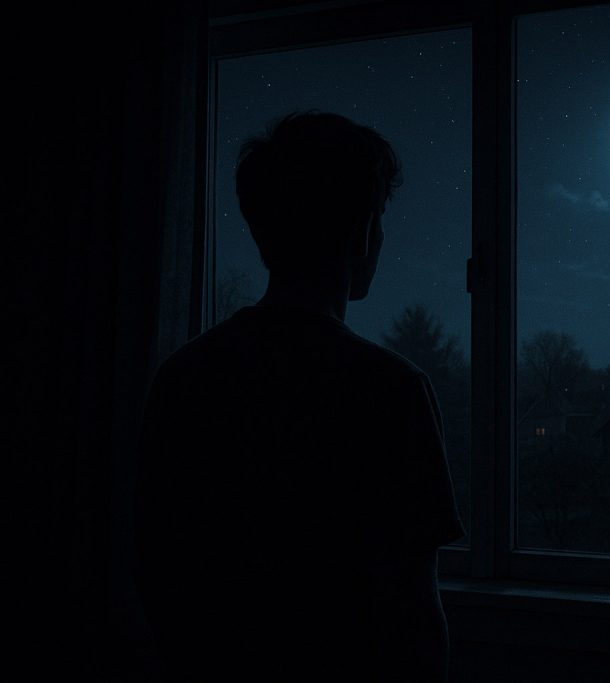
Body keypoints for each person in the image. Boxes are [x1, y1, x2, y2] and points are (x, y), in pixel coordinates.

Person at [134, 111, 465, 681]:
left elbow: (157, 577)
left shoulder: (185, 377)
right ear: (364, 230)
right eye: (380, 219)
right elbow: (413, 613)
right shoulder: (389, 391)